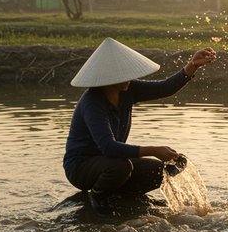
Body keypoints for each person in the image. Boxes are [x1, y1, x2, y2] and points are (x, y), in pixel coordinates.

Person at [63, 37, 217, 215]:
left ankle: (124, 196)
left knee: (160, 170)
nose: (130, 77)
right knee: (121, 167)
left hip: (110, 161)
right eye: (124, 74)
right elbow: (108, 147)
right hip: (82, 168)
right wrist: (153, 150)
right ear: (110, 78)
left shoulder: (128, 89)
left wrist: (192, 66)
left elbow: (164, 88)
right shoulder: (93, 103)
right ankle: (98, 196)